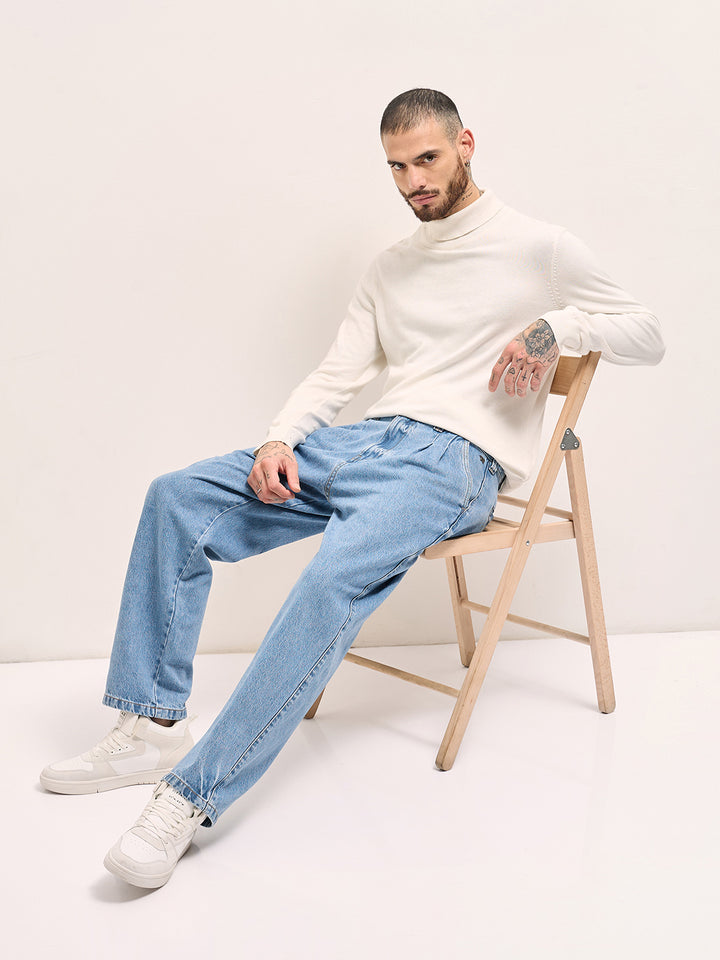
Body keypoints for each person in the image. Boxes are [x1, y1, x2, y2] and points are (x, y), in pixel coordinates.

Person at [40, 89, 665, 888]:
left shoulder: (538, 248)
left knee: (329, 580)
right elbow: (339, 372)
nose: (414, 182)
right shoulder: (392, 268)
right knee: (178, 497)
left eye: (427, 159)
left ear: (466, 144)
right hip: (364, 442)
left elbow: (647, 332)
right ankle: (153, 725)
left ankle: (189, 797)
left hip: (453, 462)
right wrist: (280, 436)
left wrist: (560, 327)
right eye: (397, 168)